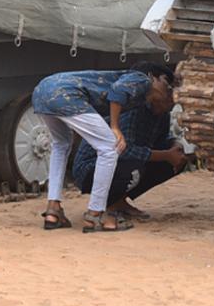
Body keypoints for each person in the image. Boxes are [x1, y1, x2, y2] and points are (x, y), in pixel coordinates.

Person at [32, 63, 174, 233]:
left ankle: (53, 210)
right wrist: (115, 127)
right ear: (155, 77)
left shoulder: (138, 93)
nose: (168, 90)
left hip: (43, 90)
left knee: (61, 144)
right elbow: (117, 92)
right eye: (167, 83)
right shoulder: (143, 80)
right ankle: (96, 214)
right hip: (66, 95)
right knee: (109, 147)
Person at [72, 75, 187, 221]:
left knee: (172, 161)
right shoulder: (134, 109)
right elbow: (125, 150)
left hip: (121, 161)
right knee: (134, 164)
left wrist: (176, 145)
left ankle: (119, 199)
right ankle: (112, 203)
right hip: (90, 167)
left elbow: (162, 140)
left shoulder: (163, 114)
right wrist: (166, 155)